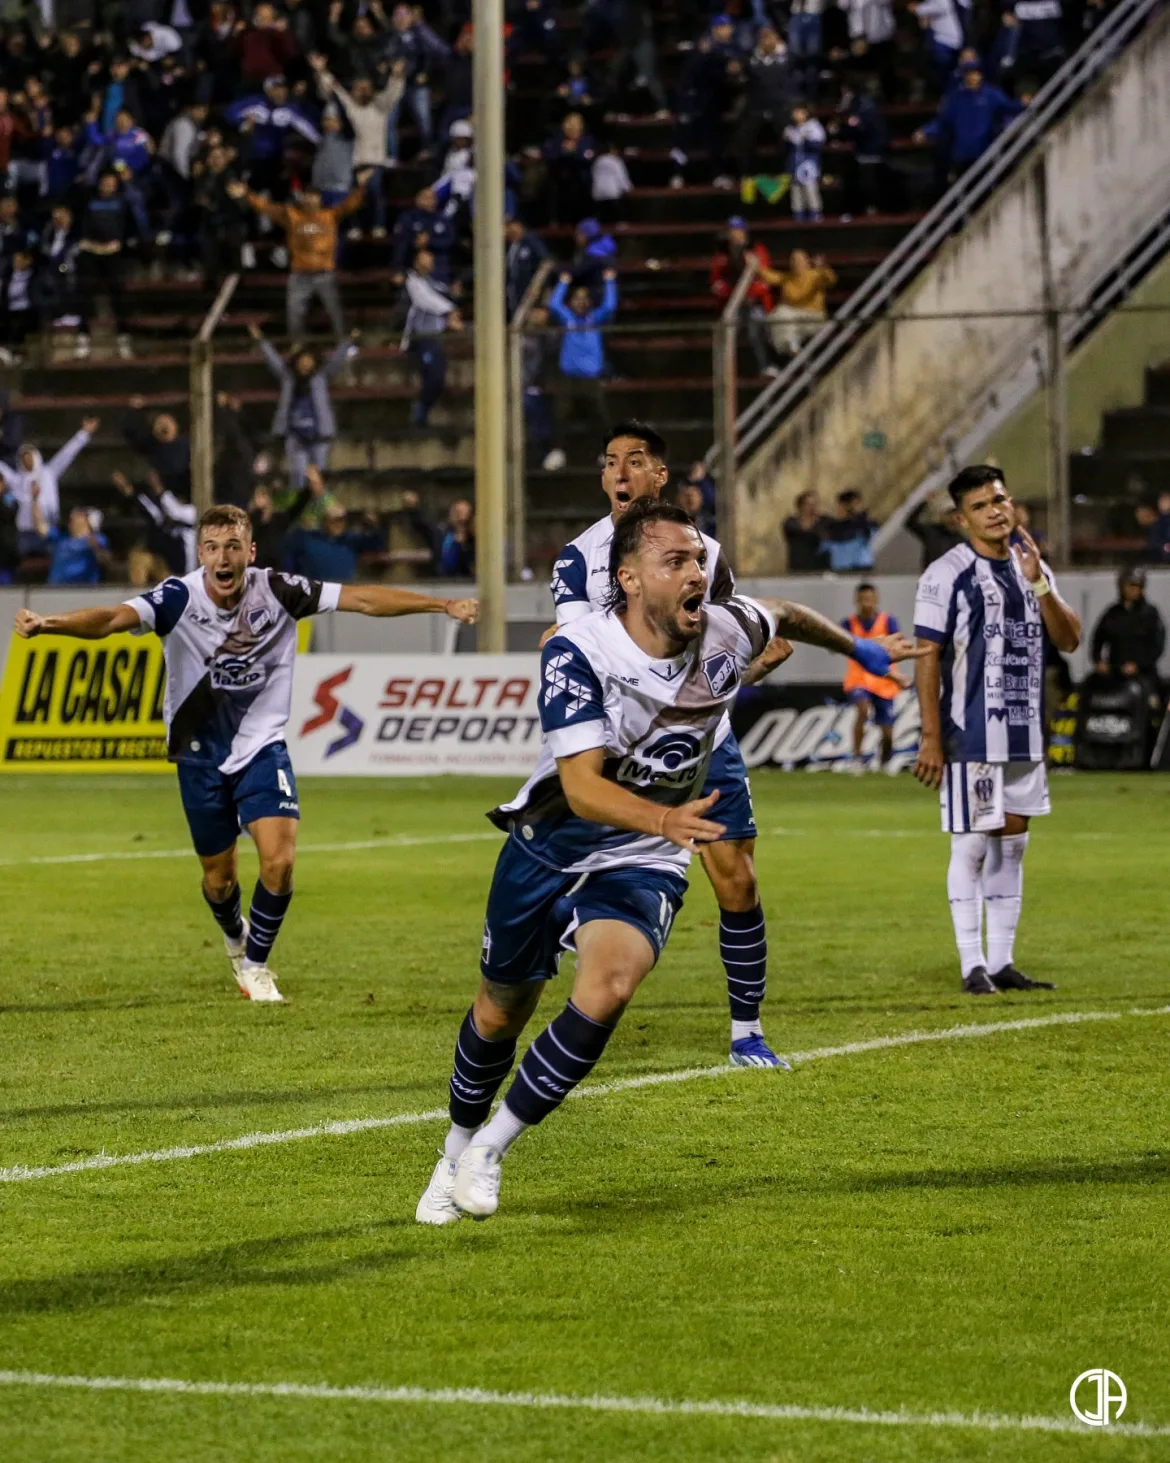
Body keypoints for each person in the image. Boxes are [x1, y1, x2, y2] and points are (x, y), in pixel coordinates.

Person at [415, 495, 921, 1223]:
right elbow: (583, 787)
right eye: (675, 560)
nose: (697, 572)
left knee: (611, 983)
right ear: (629, 578)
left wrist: (858, 651)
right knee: (500, 1010)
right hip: (551, 841)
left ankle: (492, 1148)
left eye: (699, 559)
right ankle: (454, 1148)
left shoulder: (727, 627)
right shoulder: (578, 651)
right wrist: (665, 815)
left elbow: (784, 612)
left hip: (644, 853)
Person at [14, 506, 478, 1004]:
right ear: (200, 554)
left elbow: (362, 599)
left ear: (250, 553)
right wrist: (48, 623)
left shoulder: (279, 590)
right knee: (219, 881)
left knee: (280, 862)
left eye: (233, 547)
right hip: (199, 756)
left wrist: (441, 605)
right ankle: (236, 937)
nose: (223, 558)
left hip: (262, 747)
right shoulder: (177, 597)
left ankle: (256, 965)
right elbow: (110, 619)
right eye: (213, 548)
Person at [545, 420, 814, 1068]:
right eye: (611, 460)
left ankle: (747, 1031)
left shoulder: (707, 554)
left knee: (737, 879)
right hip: (622, 747)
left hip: (704, 739)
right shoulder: (578, 560)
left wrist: (751, 667)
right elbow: (585, 656)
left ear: (661, 475)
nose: (621, 471)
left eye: (636, 460)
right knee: (583, 865)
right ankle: (566, 926)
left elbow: (717, 649)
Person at [913, 465, 1081, 995]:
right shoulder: (945, 573)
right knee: (971, 846)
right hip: (972, 733)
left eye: (1000, 500)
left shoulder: (1032, 566)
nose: (995, 511)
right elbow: (926, 654)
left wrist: (1040, 583)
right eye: (981, 505)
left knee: (1013, 845)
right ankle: (972, 965)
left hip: (1025, 732)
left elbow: (1069, 639)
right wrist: (931, 736)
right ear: (962, 519)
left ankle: (1003, 961)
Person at [229, 176, 368, 339]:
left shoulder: (330, 215)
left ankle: (343, 343)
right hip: (300, 274)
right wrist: (247, 194)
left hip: (325, 274)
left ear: (320, 199)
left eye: (314, 196)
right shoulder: (292, 215)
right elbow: (267, 207)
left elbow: (350, 205)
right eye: (307, 196)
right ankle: (297, 345)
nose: (310, 200)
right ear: (302, 197)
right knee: (294, 314)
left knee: (336, 312)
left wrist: (361, 186)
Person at [250, 322, 358, 489]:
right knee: (298, 475)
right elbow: (273, 360)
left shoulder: (321, 377)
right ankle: (300, 504)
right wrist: (261, 340)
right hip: (295, 435)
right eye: (303, 360)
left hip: (320, 434)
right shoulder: (288, 377)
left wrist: (348, 341)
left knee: (318, 476)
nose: (306, 364)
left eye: (309, 360)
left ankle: (316, 504)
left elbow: (336, 361)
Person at [547, 268, 618, 462]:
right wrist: (563, 282)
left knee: (600, 416)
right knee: (560, 415)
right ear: (571, 302)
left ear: (589, 302)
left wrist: (609, 282)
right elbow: (554, 304)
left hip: (590, 378)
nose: (580, 302)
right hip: (568, 377)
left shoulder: (595, 318)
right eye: (577, 298)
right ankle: (557, 452)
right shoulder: (567, 318)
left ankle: (605, 453)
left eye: (584, 298)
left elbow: (610, 306)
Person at [0, 417, 98, 556]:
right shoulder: (16, 479)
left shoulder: (49, 473)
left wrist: (84, 433)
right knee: (23, 564)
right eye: (24, 458)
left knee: (53, 559)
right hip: (26, 533)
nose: (27, 461)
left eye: (29, 457)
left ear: (36, 457)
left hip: (49, 529)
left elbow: (67, 454)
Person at [841, 582, 908, 770]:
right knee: (862, 710)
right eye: (863, 599)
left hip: (884, 680)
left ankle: (885, 763)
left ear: (876, 599)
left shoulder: (888, 621)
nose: (866, 603)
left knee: (887, 730)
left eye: (870, 599)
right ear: (856, 600)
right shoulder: (849, 624)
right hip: (859, 678)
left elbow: (899, 644)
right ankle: (857, 758)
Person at [400, 249, 463, 427]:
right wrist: (450, 309)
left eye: (430, 261)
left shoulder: (432, 283)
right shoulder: (411, 282)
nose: (428, 265)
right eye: (424, 261)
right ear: (416, 262)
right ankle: (420, 413)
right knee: (433, 377)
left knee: (438, 378)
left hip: (434, 339)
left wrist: (454, 293)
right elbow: (424, 300)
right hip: (420, 339)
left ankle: (421, 412)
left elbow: (442, 293)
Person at [1090, 567, 1166, 684]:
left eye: (1136, 586)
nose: (1132, 590)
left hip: (1143, 673)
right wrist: (1098, 661)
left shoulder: (1150, 613)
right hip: (1115, 672)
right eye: (1129, 586)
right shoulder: (1112, 613)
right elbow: (1097, 638)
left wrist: (1138, 665)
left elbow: (1157, 645)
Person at [764, 249, 837, 357]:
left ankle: (795, 349)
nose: (796, 264)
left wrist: (822, 267)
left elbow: (831, 280)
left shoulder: (815, 275)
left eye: (799, 261)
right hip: (795, 317)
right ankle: (793, 348)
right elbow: (769, 276)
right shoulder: (787, 278)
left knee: (784, 320)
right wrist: (755, 267)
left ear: (807, 262)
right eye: (793, 261)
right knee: (779, 314)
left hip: (813, 317)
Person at [48, 506, 112, 585]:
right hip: (55, 588)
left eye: (80, 515)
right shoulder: (62, 537)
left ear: (88, 521)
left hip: (83, 589)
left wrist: (96, 548)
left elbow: (106, 560)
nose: (72, 516)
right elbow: (42, 528)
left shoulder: (99, 539)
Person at [784, 104, 826, 221]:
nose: (796, 115)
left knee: (810, 188)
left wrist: (806, 139)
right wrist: (787, 140)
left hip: (808, 164)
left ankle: (815, 212)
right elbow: (786, 149)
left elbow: (817, 145)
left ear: (805, 113)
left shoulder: (813, 127)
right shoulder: (790, 128)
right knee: (796, 190)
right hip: (795, 163)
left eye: (799, 112)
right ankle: (798, 213)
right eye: (795, 112)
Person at [823, 488, 877, 571]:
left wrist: (860, 517)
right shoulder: (833, 527)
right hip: (841, 569)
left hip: (862, 568)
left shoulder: (866, 525)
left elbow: (874, 536)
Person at [907, 492, 964, 568]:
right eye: (950, 516)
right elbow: (910, 522)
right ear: (944, 518)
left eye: (957, 518)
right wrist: (925, 502)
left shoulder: (962, 542)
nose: (953, 519)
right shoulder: (932, 531)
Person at [782, 488, 829, 571]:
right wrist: (811, 520)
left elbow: (827, 537)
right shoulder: (791, 523)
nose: (812, 507)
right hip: (798, 569)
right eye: (809, 504)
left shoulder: (825, 521)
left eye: (815, 504)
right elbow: (804, 532)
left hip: (820, 569)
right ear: (801, 506)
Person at [439, 498, 475, 577]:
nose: (461, 518)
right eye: (458, 513)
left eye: (465, 513)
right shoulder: (444, 534)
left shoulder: (474, 539)